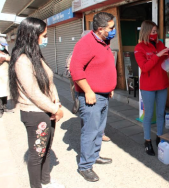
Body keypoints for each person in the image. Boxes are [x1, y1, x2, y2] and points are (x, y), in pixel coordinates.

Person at [8, 17, 64, 188]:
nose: (45, 38)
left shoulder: (36, 56)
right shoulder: (22, 60)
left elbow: (49, 82)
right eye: (43, 35)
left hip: (47, 111)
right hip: (35, 114)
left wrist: (57, 101)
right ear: (33, 35)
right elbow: (33, 92)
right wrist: (55, 108)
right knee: (36, 154)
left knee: (46, 150)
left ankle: (45, 181)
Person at [70, 12, 116, 182]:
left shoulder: (104, 41)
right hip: (92, 96)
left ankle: (94, 156)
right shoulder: (86, 43)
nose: (113, 31)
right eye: (111, 28)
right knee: (90, 131)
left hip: (103, 95)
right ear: (100, 29)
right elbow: (76, 70)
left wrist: (109, 87)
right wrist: (88, 91)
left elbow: (102, 67)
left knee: (98, 130)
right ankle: (85, 166)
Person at [134, 20, 169, 156]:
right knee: (149, 114)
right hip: (148, 86)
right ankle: (147, 140)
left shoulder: (160, 44)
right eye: (153, 31)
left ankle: (160, 137)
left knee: (160, 113)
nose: (155, 33)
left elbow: (166, 61)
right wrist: (157, 56)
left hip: (162, 83)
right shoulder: (139, 48)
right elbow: (145, 67)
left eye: (156, 31)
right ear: (146, 32)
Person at [0, 37, 14, 118]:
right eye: (2, 45)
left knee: (5, 93)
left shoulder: (4, 51)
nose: (4, 47)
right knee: (0, 94)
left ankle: (4, 108)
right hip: (0, 76)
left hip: (5, 76)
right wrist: (4, 58)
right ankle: (0, 110)